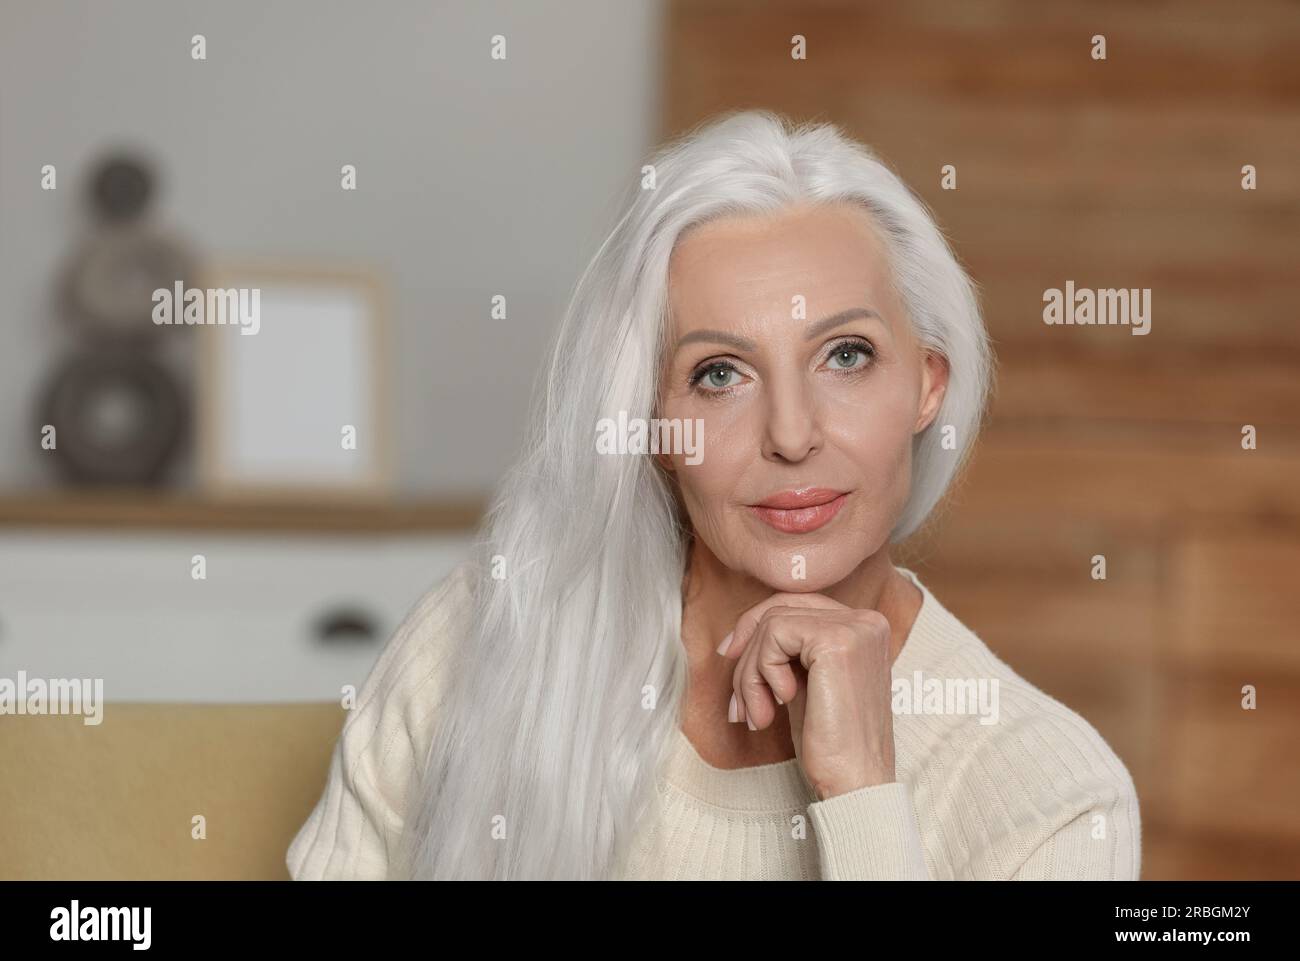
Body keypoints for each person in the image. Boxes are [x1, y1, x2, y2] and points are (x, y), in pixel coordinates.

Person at [287, 109, 1141, 880]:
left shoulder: (1052, 795)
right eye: (719, 374)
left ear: (928, 386)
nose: (793, 434)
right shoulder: (491, 632)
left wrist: (862, 799)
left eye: (846, 355)